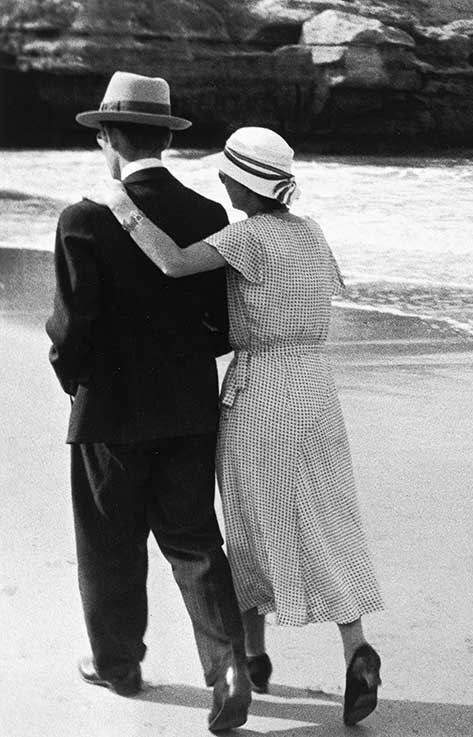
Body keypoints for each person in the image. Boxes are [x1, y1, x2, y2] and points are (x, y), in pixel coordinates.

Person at [90, 125, 386, 726]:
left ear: (242, 183)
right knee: (329, 515)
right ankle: (354, 647)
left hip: (262, 392)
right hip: (316, 389)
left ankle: (251, 657)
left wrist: (122, 203)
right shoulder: (310, 232)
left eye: (227, 176)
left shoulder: (246, 237)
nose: (221, 184)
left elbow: (173, 263)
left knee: (253, 523)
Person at [45, 71, 252, 732]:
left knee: (109, 543)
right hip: (189, 408)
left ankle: (118, 663)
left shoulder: (82, 217)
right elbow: (223, 326)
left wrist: (72, 378)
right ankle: (228, 665)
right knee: (194, 538)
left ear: (107, 137)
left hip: (107, 410)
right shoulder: (210, 216)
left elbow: (72, 328)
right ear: (164, 136)